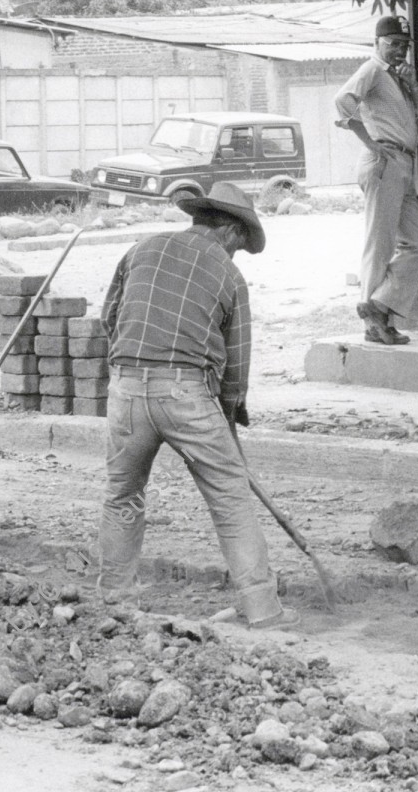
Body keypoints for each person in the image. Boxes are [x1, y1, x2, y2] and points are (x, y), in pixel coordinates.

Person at [96, 181, 296, 629]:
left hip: (126, 389)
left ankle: (114, 600)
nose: (236, 255)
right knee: (230, 496)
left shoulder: (142, 248)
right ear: (229, 231)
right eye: (239, 246)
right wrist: (228, 414)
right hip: (186, 393)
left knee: (123, 495)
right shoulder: (229, 274)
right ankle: (263, 608)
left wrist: (135, 365)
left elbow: (109, 318)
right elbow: (236, 366)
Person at [335, 16, 418, 346]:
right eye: (393, 44)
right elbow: (343, 101)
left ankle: (379, 306)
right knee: (380, 243)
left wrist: (415, 88)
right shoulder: (373, 69)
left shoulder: (400, 77)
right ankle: (373, 324)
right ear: (377, 43)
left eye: (404, 45)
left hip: (404, 163)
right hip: (385, 160)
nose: (399, 50)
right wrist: (370, 142)